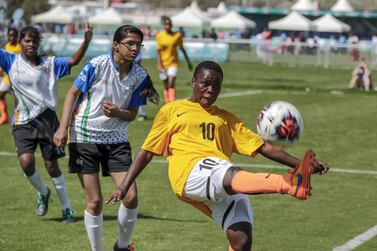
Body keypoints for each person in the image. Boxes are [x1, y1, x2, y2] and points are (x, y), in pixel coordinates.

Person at [107, 61, 330, 251]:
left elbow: (264, 148)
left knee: (241, 238)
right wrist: (124, 184)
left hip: (220, 179)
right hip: (190, 173)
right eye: (205, 83)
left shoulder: (226, 119)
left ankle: (295, 179)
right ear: (193, 82)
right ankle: (290, 184)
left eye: (216, 86)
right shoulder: (172, 111)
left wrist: (303, 164)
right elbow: (147, 151)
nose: (210, 90)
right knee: (229, 172)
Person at [53, 25, 159, 251]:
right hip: (84, 137)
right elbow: (72, 93)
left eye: (138, 44)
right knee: (95, 201)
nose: (135, 48)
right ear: (115, 45)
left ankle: (121, 246)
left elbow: (131, 114)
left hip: (117, 141)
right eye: (130, 43)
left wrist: (117, 112)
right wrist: (63, 128)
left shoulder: (140, 76)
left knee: (130, 197)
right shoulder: (97, 64)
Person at [0, 23, 93, 223]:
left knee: (52, 166)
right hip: (22, 121)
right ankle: (43, 191)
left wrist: (86, 40)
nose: (31, 44)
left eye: (34, 41)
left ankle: (67, 208)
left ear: (38, 43)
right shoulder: (10, 60)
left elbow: (74, 60)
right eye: (27, 41)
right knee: (26, 162)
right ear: (20, 43)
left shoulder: (50, 63)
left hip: (48, 120)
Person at [156, 16, 193, 103]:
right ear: (163, 25)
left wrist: (188, 62)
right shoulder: (159, 36)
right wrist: (160, 65)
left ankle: (171, 103)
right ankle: (167, 103)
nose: (167, 26)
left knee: (171, 83)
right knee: (165, 85)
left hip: (173, 63)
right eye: (166, 24)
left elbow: (182, 49)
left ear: (171, 25)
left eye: (169, 24)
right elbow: (158, 52)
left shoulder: (177, 36)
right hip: (162, 64)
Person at [0, 27, 21, 125]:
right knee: (1, 95)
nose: (11, 38)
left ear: (17, 37)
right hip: (7, 77)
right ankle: (4, 116)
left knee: (19, 99)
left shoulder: (20, 47)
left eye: (13, 36)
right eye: (10, 35)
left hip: (17, 78)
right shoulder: (7, 46)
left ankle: (17, 118)